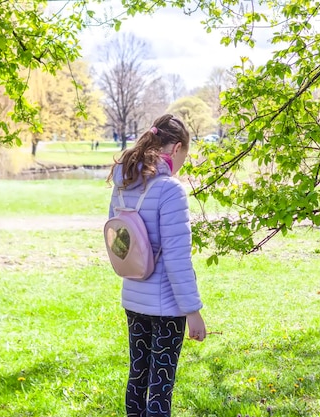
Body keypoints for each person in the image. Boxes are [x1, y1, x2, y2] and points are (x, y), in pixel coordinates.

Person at [107, 114, 206, 417]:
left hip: (133, 298)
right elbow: (177, 259)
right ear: (176, 148)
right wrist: (193, 312)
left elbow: (119, 241)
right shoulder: (170, 190)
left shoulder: (125, 181)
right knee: (160, 388)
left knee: (137, 376)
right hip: (165, 307)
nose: (183, 162)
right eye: (184, 156)